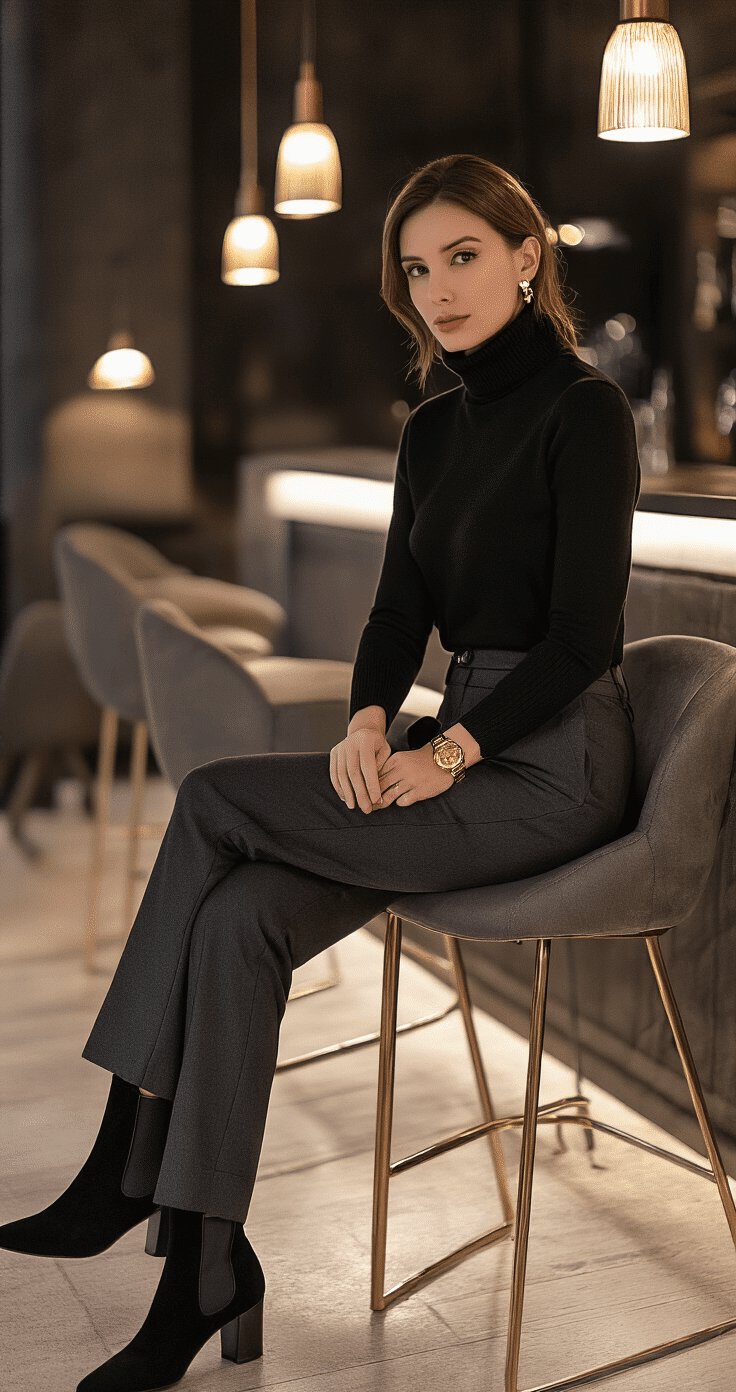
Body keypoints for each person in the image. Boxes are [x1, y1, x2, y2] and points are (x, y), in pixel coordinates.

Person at [0, 153, 640, 1392]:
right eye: (417, 267)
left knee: (210, 797)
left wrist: (450, 751)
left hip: (554, 764)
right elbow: (399, 611)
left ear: (527, 258)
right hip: (454, 740)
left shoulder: (585, 411)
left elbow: (581, 642)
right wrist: (364, 723)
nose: (438, 288)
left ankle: (126, 1157)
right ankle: (204, 1267)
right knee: (238, 918)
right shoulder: (434, 428)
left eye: (463, 257)